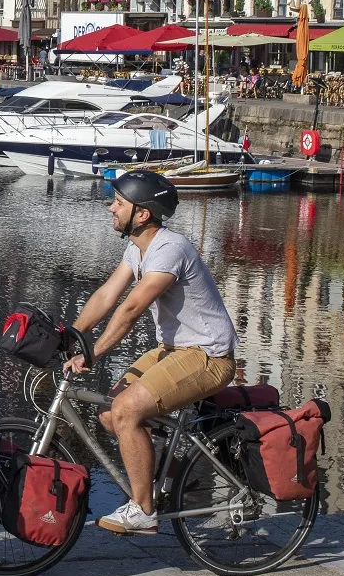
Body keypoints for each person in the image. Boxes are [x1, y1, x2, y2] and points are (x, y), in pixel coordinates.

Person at [63, 170, 238, 535]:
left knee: (127, 411)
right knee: (110, 413)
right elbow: (107, 296)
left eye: (119, 204)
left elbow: (130, 309)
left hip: (207, 357)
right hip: (173, 350)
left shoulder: (170, 249)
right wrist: (72, 335)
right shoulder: (137, 248)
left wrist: (91, 354)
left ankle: (144, 509)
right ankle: (174, 477)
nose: (111, 208)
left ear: (142, 214)